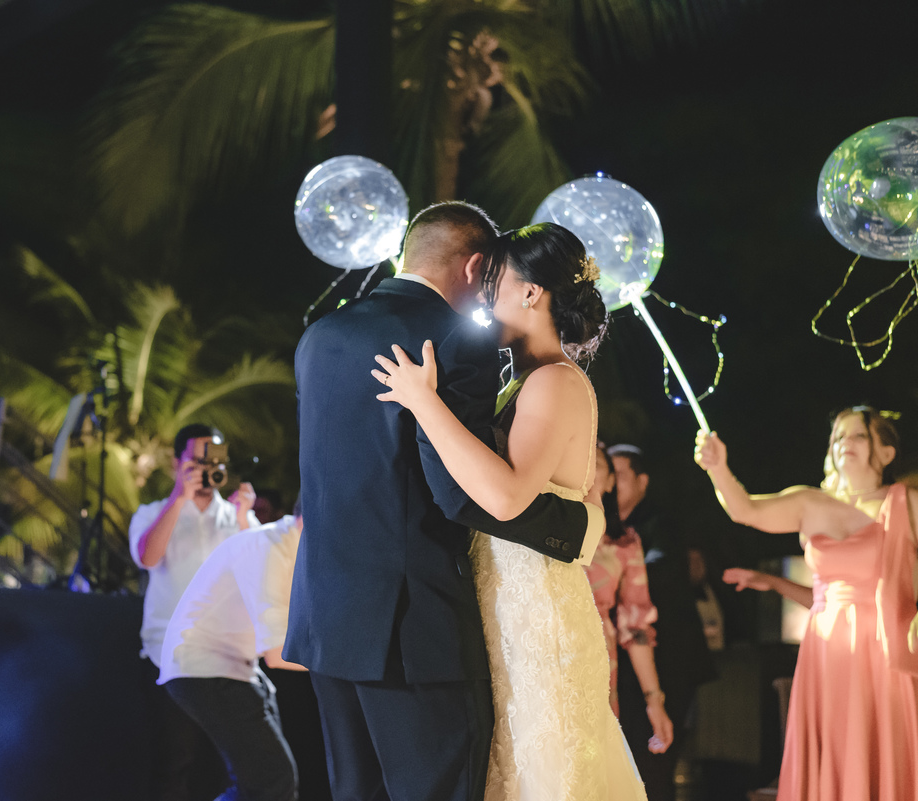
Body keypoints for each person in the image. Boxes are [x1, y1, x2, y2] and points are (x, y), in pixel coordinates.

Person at [287, 203, 600, 801]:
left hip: (325, 620)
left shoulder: (319, 336)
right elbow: (459, 496)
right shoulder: (453, 340)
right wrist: (577, 526)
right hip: (413, 629)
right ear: (476, 266)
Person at [372, 221, 642, 800]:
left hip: (538, 619)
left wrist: (423, 401)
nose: (481, 296)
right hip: (510, 614)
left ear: (530, 292)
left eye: (493, 281)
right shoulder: (520, 383)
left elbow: (506, 496)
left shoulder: (554, 382)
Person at [695, 407, 918, 801]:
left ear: (886, 452)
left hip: (881, 652)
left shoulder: (906, 504)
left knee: (879, 749)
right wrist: (718, 468)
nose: (845, 443)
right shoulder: (808, 502)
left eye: (858, 436)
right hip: (826, 653)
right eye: (838, 437)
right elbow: (744, 510)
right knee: (832, 748)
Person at [130, 423, 257, 801]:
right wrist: (178, 499)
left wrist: (244, 517)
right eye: (198, 460)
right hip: (171, 658)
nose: (207, 468)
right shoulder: (155, 512)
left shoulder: (237, 516)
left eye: (214, 460)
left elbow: (259, 575)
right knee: (173, 766)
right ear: (177, 463)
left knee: (229, 769)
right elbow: (148, 556)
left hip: (227, 661)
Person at [159, 510, 306, 801]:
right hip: (204, 666)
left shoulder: (292, 548)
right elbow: (277, 654)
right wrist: (346, 663)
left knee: (270, 785)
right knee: (272, 783)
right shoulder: (268, 546)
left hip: (237, 668)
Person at [607, 443, 716, 801]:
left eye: (618, 473)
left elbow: (663, 569)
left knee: (655, 759)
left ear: (642, 481)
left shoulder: (658, 523)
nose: (611, 480)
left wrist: (619, 570)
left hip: (670, 657)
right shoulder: (602, 526)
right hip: (627, 660)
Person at [585, 444, 673, 754]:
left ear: (610, 481)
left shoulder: (624, 542)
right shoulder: (539, 525)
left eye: (594, 462)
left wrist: (654, 702)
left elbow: (636, 628)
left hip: (598, 658)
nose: (583, 463)